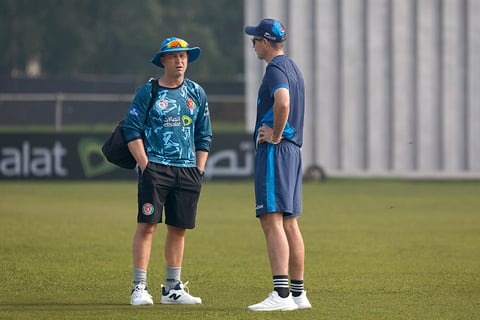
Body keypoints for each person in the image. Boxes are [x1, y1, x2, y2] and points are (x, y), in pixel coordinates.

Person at [122, 37, 212, 306]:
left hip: (187, 170)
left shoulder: (197, 92)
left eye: (183, 56)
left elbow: (204, 134)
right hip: (156, 167)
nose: (180, 61)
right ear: (163, 60)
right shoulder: (148, 92)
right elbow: (131, 129)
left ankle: (172, 289)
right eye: (174, 56)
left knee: (178, 228)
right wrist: (145, 165)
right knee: (147, 226)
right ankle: (139, 287)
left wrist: (199, 170)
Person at [244, 19, 312, 311]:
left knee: (271, 220)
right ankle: (298, 294)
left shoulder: (274, 69)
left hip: (277, 150)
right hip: (292, 152)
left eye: (255, 41)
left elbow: (282, 101)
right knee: (289, 222)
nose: (254, 46)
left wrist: (276, 134)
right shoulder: (293, 66)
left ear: (266, 42)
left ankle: (281, 295)